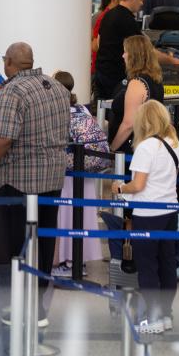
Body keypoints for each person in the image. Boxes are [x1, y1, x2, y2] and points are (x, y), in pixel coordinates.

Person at [0, 42, 70, 324]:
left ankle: (24, 309)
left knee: (20, 245)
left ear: (9, 63)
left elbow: (3, 140)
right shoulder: (56, 87)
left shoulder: (12, 91)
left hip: (21, 180)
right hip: (53, 178)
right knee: (44, 242)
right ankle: (38, 309)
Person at [112, 100, 179, 332]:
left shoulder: (145, 147)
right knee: (167, 264)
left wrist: (120, 188)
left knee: (148, 267)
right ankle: (166, 315)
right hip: (170, 211)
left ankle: (152, 318)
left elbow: (138, 185)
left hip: (148, 213)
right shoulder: (174, 144)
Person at [53, 71, 108, 277]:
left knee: (65, 215)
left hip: (66, 174)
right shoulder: (82, 109)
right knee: (83, 215)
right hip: (86, 172)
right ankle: (80, 261)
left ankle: (66, 262)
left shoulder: (57, 111)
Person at [109, 35, 164, 153]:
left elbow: (129, 124)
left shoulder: (137, 83)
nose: (123, 55)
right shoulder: (156, 80)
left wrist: (112, 149)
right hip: (149, 143)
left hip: (132, 147)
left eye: (125, 52)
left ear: (134, 56)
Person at [94, 0, 145, 99]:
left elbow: (98, 42)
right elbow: (142, 49)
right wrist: (171, 59)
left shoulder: (107, 15)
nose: (142, 4)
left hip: (101, 72)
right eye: (141, 0)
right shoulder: (127, 19)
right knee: (115, 111)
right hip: (116, 76)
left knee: (101, 110)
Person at [91, 0, 123, 73]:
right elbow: (95, 46)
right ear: (114, 0)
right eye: (123, 0)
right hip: (101, 70)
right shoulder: (105, 16)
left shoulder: (107, 15)